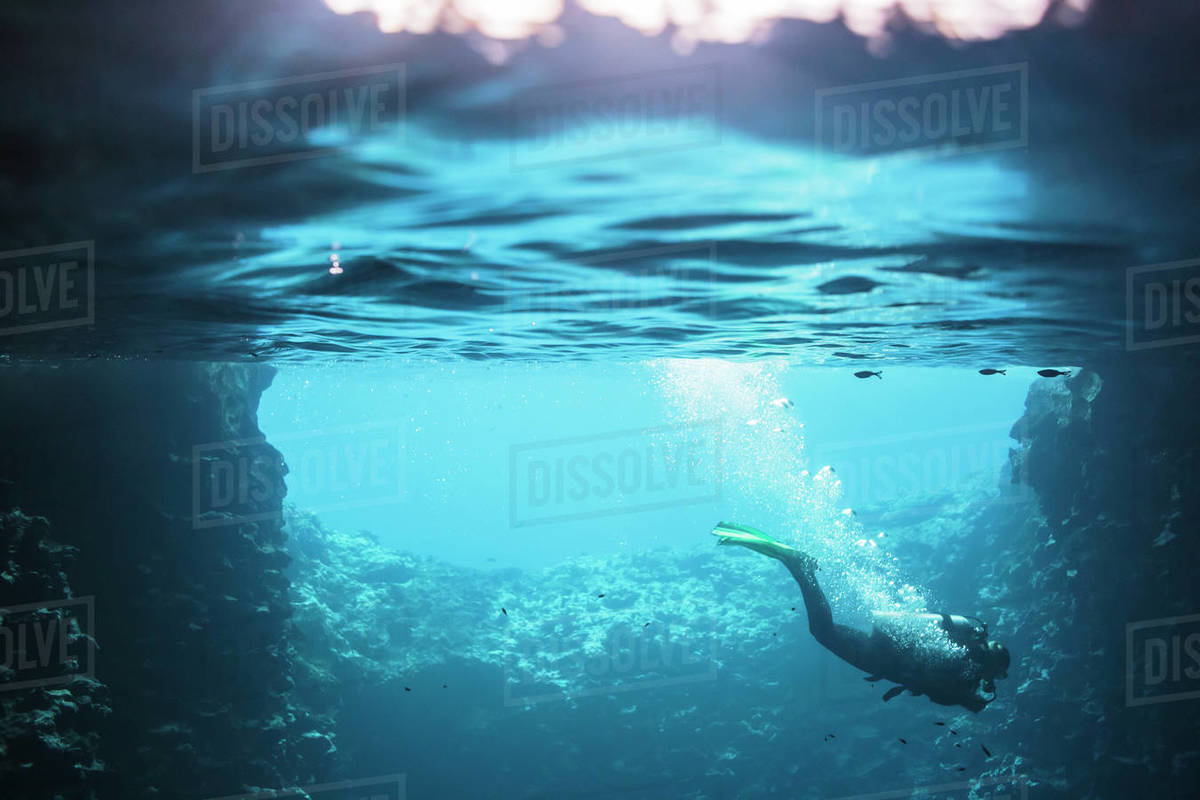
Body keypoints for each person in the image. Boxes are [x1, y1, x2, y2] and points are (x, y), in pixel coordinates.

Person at [713, 522, 1010, 712]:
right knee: (823, 632)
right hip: (885, 657)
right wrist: (980, 695)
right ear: (994, 669)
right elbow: (956, 699)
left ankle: (800, 568)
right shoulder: (968, 673)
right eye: (997, 674)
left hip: (889, 641)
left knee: (824, 631)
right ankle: (800, 568)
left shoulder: (967, 655)